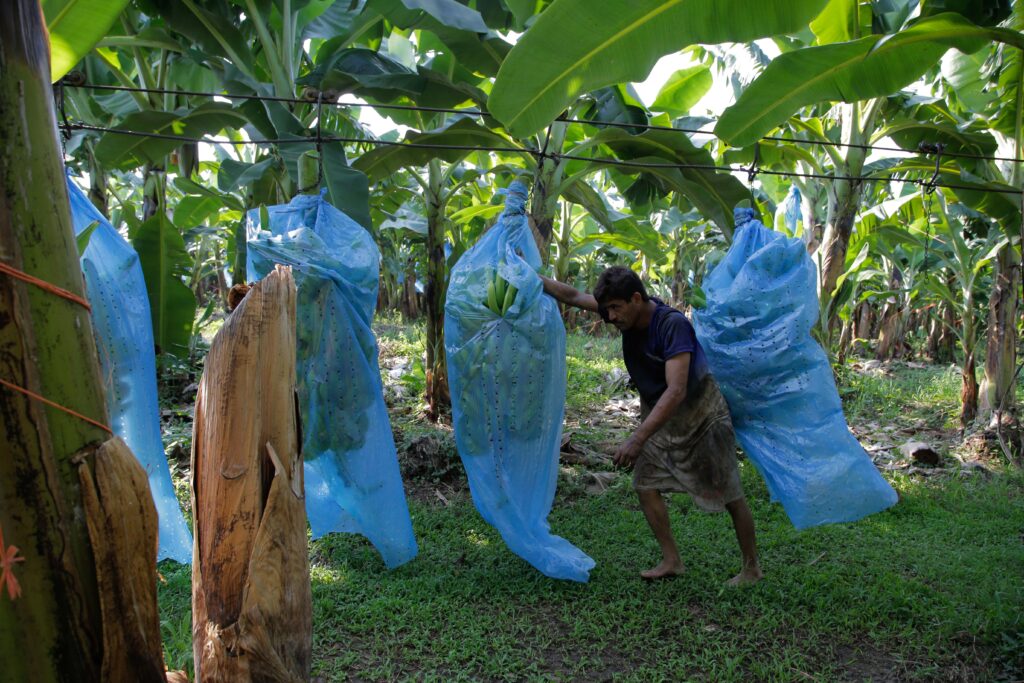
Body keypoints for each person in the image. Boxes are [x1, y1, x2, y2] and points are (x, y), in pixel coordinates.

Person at [541, 266, 762, 585]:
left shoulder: (673, 326)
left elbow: (676, 390)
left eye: (615, 308)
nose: (610, 317)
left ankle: (752, 567)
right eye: (606, 309)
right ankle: (672, 560)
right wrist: (532, 279)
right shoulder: (621, 311)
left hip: (701, 415)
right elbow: (573, 295)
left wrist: (636, 438)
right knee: (645, 485)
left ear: (635, 298)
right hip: (660, 415)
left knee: (730, 493)